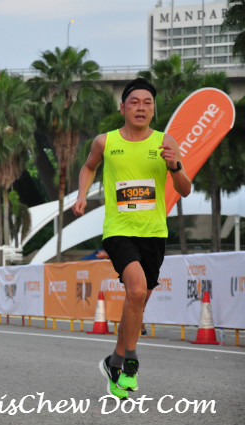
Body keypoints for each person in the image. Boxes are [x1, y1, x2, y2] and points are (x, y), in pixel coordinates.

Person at [72, 78, 191, 400]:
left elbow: (184, 189)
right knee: (136, 290)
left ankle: (114, 361)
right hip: (118, 230)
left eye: (147, 103)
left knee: (138, 301)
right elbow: (88, 167)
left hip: (154, 233)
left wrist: (175, 166)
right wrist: (82, 195)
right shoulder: (105, 141)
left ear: (153, 109)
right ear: (122, 107)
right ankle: (131, 362)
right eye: (135, 102)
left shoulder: (165, 142)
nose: (141, 107)